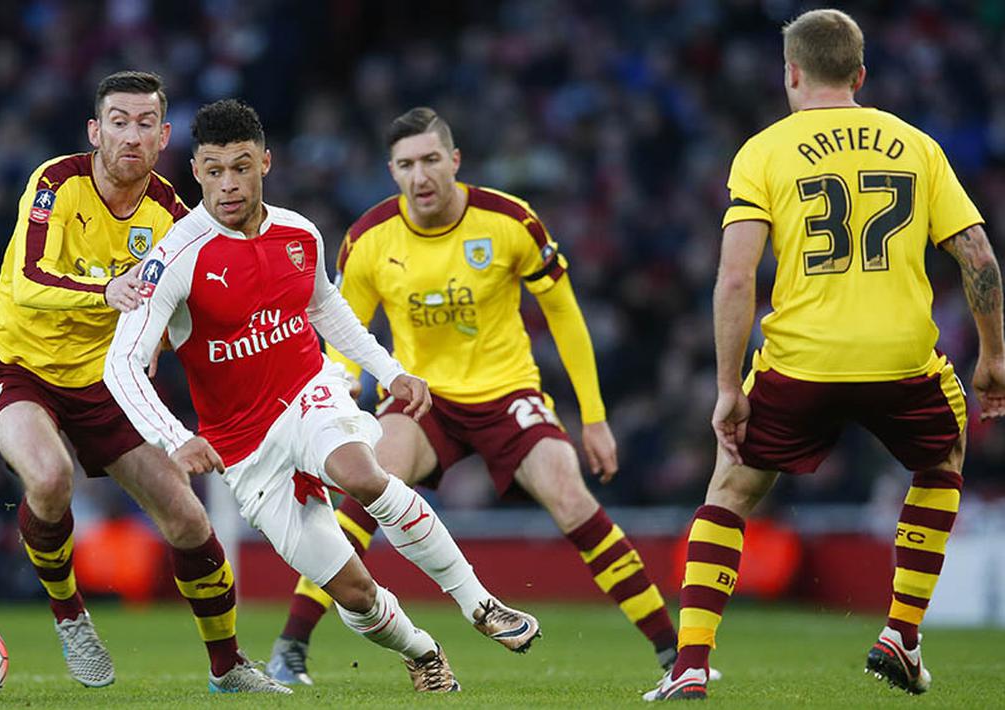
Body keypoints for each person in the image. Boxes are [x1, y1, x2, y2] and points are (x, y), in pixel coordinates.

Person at [105, 98, 541, 693]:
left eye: (241, 168)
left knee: (360, 474)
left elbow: (326, 309)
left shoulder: (299, 233)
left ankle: (480, 604)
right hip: (245, 450)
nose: (228, 184)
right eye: (213, 170)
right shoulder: (176, 257)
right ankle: (422, 651)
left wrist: (389, 372)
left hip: (307, 393)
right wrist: (175, 438)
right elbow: (121, 364)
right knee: (354, 593)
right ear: (197, 172)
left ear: (265, 163)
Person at [645, 9, 1005, 701]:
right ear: (860, 74)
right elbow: (979, 257)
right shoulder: (916, 145)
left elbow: (734, 278)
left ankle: (689, 664)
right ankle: (901, 634)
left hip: (801, 362)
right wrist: (992, 357)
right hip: (902, 360)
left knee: (731, 489)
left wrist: (728, 386)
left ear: (791, 73)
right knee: (941, 459)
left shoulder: (763, 151)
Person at [267, 106, 683, 685]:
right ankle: (290, 647)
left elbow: (564, 314)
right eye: (406, 165)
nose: (420, 176)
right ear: (391, 170)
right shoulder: (367, 239)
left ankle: (676, 656)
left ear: (455, 160)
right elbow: (341, 333)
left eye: (431, 160)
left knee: (571, 497)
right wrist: (343, 395)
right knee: (366, 485)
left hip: (506, 392)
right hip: (421, 398)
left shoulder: (510, 220)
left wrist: (594, 417)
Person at [0, 71, 286, 694]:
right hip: (20, 364)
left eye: (145, 124)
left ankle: (229, 669)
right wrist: (106, 290)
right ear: (96, 131)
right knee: (49, 478)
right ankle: (70, 615)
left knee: (188, 519)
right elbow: (29, 281)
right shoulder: (56, 183)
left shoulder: (172, 214)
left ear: (164, 137)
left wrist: (164, 341)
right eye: (119, 122)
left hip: (106, 381)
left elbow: (192, 305)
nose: (131, 136)